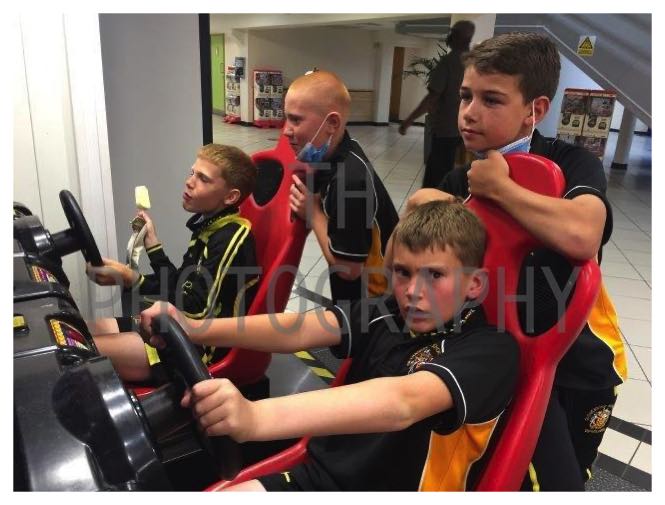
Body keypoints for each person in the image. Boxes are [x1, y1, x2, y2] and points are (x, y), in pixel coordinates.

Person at [140, 200, 519, 491]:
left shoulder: (490, 350)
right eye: (403, 273)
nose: (413, 292)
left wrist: (254, 417)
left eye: (435, 275)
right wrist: (195, 328)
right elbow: (299, 329)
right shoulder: (389, 312)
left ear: (474, 284)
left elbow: (403, 402)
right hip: (321, 476)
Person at [405, 32, 627, 491]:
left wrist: (501, 190)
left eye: (491, 100)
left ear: (535, 109)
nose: (469, 112)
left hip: (572, 361)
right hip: (496, 352)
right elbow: (425, 232)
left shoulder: (570, 163)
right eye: (466, 96)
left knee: (562, 479)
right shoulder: (462, 176)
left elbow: (583, 234)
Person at [86, 144, 259, 382]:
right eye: (192, 173)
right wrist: (151, 246)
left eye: (203, 179)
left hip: (200, 350)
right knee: (78, 332)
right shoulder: (209, 227)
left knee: (78, 352)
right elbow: (181, 286)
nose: (189, 182)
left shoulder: (231, 237)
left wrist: (130, 278)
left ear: (230, 197)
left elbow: (195, 310)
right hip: (178, 330)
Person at [286, 70, 399, 306]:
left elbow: (348, 270)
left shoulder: (349, 181)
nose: (286, 130)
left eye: (296, 120)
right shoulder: (338, 150)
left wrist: (313, 213)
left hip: (372, 301)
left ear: (332, 124)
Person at [399, 20, 475, 188]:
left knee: (435, 176)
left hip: (445, 130)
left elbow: (432, 98)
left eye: (453, 33)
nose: (449, 36)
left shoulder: (448, 62)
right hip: (465, 129)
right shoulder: (474, 63)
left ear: (457, 37)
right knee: (456, 173)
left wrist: (408, 121)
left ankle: (432, 201)